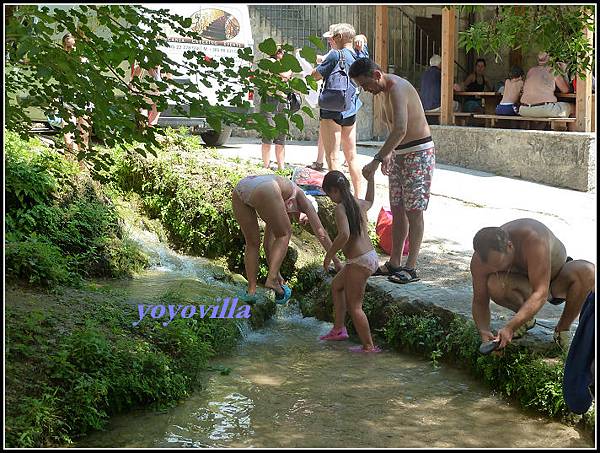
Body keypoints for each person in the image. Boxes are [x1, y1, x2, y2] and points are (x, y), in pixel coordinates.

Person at [350, 58, 434, 285]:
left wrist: (377, 158)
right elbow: (393, 129)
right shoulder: (383, 92)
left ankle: (411, 266)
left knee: (414, 210)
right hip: (400, 154)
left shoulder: (396, 88)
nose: (366, 90)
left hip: (418, 153)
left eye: (366, 84)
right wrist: (389, 153)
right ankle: (395, 262)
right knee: (397, 208)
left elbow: (400, 128)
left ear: (377, 75)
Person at [470, 218, 595, 351]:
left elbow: (541, 293)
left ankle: (562, 330)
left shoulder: (533, 238)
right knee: (494, 284)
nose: (495, 270)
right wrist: (483, 330)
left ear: (510, 246)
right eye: (490, 266)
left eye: (499, 263)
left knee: (588, 272)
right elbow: (479, 301)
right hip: (524, 285)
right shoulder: (478, 262)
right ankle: (525, 319)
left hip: (556, 279)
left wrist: (509, 328)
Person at [232, 174, 342, 304]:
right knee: (285, 233)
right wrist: (336, 261)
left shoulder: (281, 205)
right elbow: (321, 233)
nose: (301, 222)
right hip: (266, 187)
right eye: (305, 219)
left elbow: (268, 245)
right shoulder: (304, 200)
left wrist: (276, 272)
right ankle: (270, 280)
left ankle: (251, 291)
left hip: (242, 187)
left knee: (252, 243)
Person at [321, 170, 381, 353]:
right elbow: (370, 201)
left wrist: (329, 255)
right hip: (368, 257)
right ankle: (339, 329)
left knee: (355, 306)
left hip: (359, 261)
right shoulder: (357, 203)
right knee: (337, 285)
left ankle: (369, 347)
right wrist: (371, 179)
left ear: (334, 190)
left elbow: (344, 235)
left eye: (328, 194)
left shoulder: (340, 208)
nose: (330, 198)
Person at [311, 23, 363, 196]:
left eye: (332, 38)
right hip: (351, 110)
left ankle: (341, 201)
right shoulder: (358, 54)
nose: (330, 41)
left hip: (332, 111)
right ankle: (358, 198)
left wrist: (316, 66)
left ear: (340, 37)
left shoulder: (334, 55)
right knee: (352, 157)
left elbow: (316, 75)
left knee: (333, 158)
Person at [260, 48, 293, 170]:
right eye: (281, 52)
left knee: (281, 134)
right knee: (268, 133)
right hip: (269, 100)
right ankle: (266, 166)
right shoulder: (269, 62)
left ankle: (281, 167)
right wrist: (285, 74)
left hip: (282, 101)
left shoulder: (284, 64)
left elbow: (287, 74)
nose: (283, 54)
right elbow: (284, 74)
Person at [61, 33, 92, 155]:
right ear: (64, 47)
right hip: (67, 103)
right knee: (67, 139)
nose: (71, 49)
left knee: (83, 138)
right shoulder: (62, 62)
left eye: (73, 46)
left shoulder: (85, 61)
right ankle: (68, 169)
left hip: (83, 103)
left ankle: (82, 169)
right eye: (68, 47)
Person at [519, 52, 572, 118]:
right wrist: (564, 71)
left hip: (524, 109)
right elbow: (565, 90)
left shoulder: (531, 71)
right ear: (550, 58)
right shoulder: (553, 71)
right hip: (544, 109)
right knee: (573, 107)